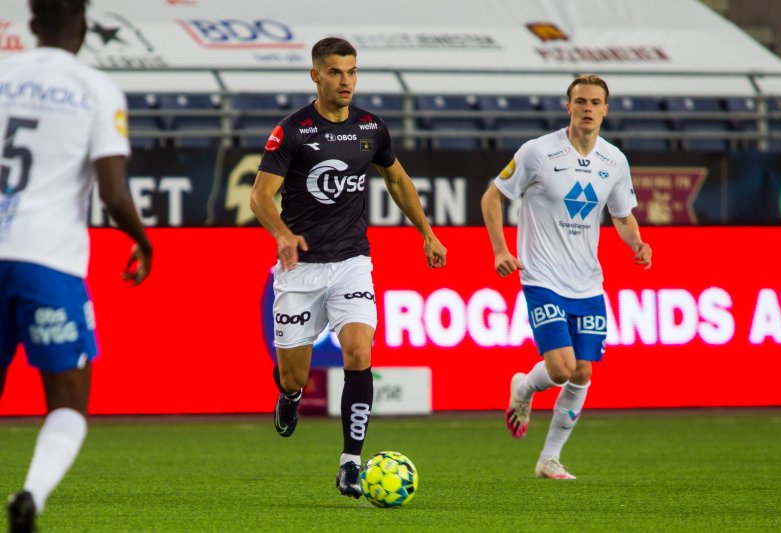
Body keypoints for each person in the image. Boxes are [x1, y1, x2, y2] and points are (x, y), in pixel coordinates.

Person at [250, 37, 447, 498]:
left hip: (352, 263)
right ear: (315, 75)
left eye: (352, 72)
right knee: (294, 374)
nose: (346, 81)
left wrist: (427, 232)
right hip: (301, 270)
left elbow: (396, 179)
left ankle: (350, 463)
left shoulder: (371, 128)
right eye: (336, 72)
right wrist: (282, 235)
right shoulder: (292, 131)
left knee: (359, 352)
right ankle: (290, 396)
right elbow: (260, 196)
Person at [0, 1, 152, 531]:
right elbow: (112, 192)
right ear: (84, 29)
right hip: (49, 262)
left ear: (32, 25)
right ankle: (31, 496)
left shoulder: (3, 76)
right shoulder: (97, 89)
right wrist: (142, 242)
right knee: (67, 403)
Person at [481, 74, 652, 480]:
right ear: (568, 106)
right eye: (581, 101)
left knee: (583, 372)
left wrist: (636, 243)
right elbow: (492, 196)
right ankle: (523, 388)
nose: (588, 108)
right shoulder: (538, 152)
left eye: (595, 102)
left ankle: (549, 459)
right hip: (541, 276)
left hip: (588, 282)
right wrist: (501, 250)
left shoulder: (614, 161)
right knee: (560, 368)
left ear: (606, 109)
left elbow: (622, 215)